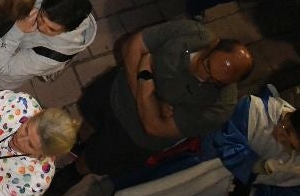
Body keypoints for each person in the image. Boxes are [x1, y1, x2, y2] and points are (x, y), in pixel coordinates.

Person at [113, 92, 300, 196]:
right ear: (291, 116)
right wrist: (256, 168)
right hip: (199, 171)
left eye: (292, 146)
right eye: (287, 129)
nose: (281, 139)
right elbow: (222, 139)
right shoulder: (255, 110)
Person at [72, 22, 255, 182]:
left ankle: (72, 173)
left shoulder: (221, 107)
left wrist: (145, 76)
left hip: (133, 137)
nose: (205, 77)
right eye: (207, 66)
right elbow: (132, 47)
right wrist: (152, 103)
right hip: (114, 91)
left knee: (94, 160)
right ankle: (78, 143)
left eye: (217, 83)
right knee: (90, 120)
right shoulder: (192, 32)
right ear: (213, 45)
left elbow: (155, 127)